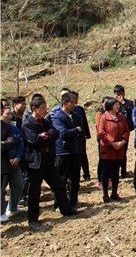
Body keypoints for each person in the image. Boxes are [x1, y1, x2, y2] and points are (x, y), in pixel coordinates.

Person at [21, 97, 80, 227]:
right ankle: (33, 218)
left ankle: (66, 209)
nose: (45, 110)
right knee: (35, 190)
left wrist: (45, 135)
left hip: (48, 158)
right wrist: (45, 136)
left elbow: (56, 133)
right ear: (34, 109)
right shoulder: (28, 123)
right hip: (35, 161)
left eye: (45, 107)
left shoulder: (46, 122)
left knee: (58, 184)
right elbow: (34, 140)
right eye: (42, 108)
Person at [52, 92, 85, 208]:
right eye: (71, 102)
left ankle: (73, 202)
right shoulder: (57, 117)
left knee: (75, 178)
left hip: (76, 150)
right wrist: (76, 131)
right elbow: (63, 133)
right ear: (64, 103)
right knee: (61, 179)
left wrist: (77, 133)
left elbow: (82, 129)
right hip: (63, 152)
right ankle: (59, 203)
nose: (74, 104)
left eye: (74, 102)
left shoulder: (75, 115)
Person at [97, 97, 130, 203]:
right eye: (116, 104)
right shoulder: (104, 118)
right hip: (108, 149)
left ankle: (114, 193)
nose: (118, 106)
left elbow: (126, 130)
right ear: (111, 106)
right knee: (106, 172)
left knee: (116, 172)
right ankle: (105, 194)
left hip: (119, 149)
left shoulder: (121, 117)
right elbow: (101, 132)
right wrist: (112, 143)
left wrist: (122, 142)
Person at [2, 100, 25, 218]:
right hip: (4, 163)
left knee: (19, 185)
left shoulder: (14, 128)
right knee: (2, 188)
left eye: (11, 114)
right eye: (7, 114)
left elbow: (19, 143)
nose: (10, 116)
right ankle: (1, 212)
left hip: (15, 163)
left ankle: (12, 208)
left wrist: (17, 157)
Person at [1, 102, 18, 223]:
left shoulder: (6, 127)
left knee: (1, 188)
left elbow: (11, 142)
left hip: (2, 161)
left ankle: (1, 211)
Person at [114, 85, 134, 178]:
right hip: (115, 131)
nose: (119, 96)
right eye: (117, 94)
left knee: (123, 151)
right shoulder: (112, 103)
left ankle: (123, 171)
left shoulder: (129, 102)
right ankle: (115, 172)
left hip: (125, 131)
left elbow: (131, 112)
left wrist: (123, 103)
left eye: (121, 93)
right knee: (115, 152)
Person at [71, 92, 92, 182]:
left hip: (81, 135)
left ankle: (86, 174)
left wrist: (87, 134)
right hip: (72, 136)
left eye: (76, 98)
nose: (75, 100)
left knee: (83, 155)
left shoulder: (80, 109)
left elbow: (84, 122)